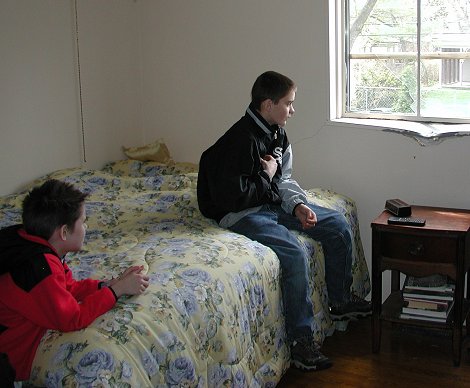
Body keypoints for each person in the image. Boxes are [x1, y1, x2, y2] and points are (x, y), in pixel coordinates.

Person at [197, 71, 371, 371]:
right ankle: (301, 342)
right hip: (242, 213)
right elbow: (233, 198)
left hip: (268, 203)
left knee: (337, 224)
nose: (293, 110)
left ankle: (340, 302)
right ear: (268, 104)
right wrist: (266, 175)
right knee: (293, 253)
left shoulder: (277, 132)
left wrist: (298, 205)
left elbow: (284, 178)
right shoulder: (238, 142)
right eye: (288, 103)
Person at [0, 179, 150, 382]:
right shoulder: (39, 268)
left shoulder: (33, 241)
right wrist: (117, 291)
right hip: (8, 359)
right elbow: (72, 319)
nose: (86, 227)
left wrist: (106, 285)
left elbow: (65, 287)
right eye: (83, 221)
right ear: (64, 232)